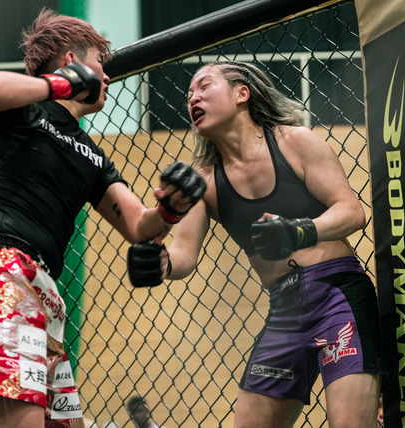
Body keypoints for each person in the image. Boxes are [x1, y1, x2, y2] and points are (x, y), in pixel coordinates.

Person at [0, 8, 206, 428]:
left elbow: (138, 225)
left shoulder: (92, 155)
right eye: (100, 64)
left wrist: (172, 207)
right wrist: (58, 85)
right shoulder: (25, 109)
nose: (107, 77)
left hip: (43, 292)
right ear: (70, 60)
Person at [127, 61, 384, 428]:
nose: (193, 98)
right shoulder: (205, 181)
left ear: (242, 93)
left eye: (204, 86)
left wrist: (298, 231)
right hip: (285, 310)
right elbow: (184, 254)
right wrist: (160, 263)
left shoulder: (294, 142)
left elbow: (352, 211)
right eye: (189, 94)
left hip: (337, 295)